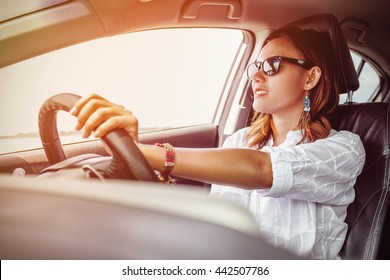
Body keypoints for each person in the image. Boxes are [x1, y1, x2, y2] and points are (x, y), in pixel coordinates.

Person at [69, 27, 365, 259]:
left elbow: (262, 170)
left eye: (272, 65)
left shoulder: (343, 149)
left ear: (311, 76)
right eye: (255, 67)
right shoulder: (239, 140)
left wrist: (145, 153)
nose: (257, 76)